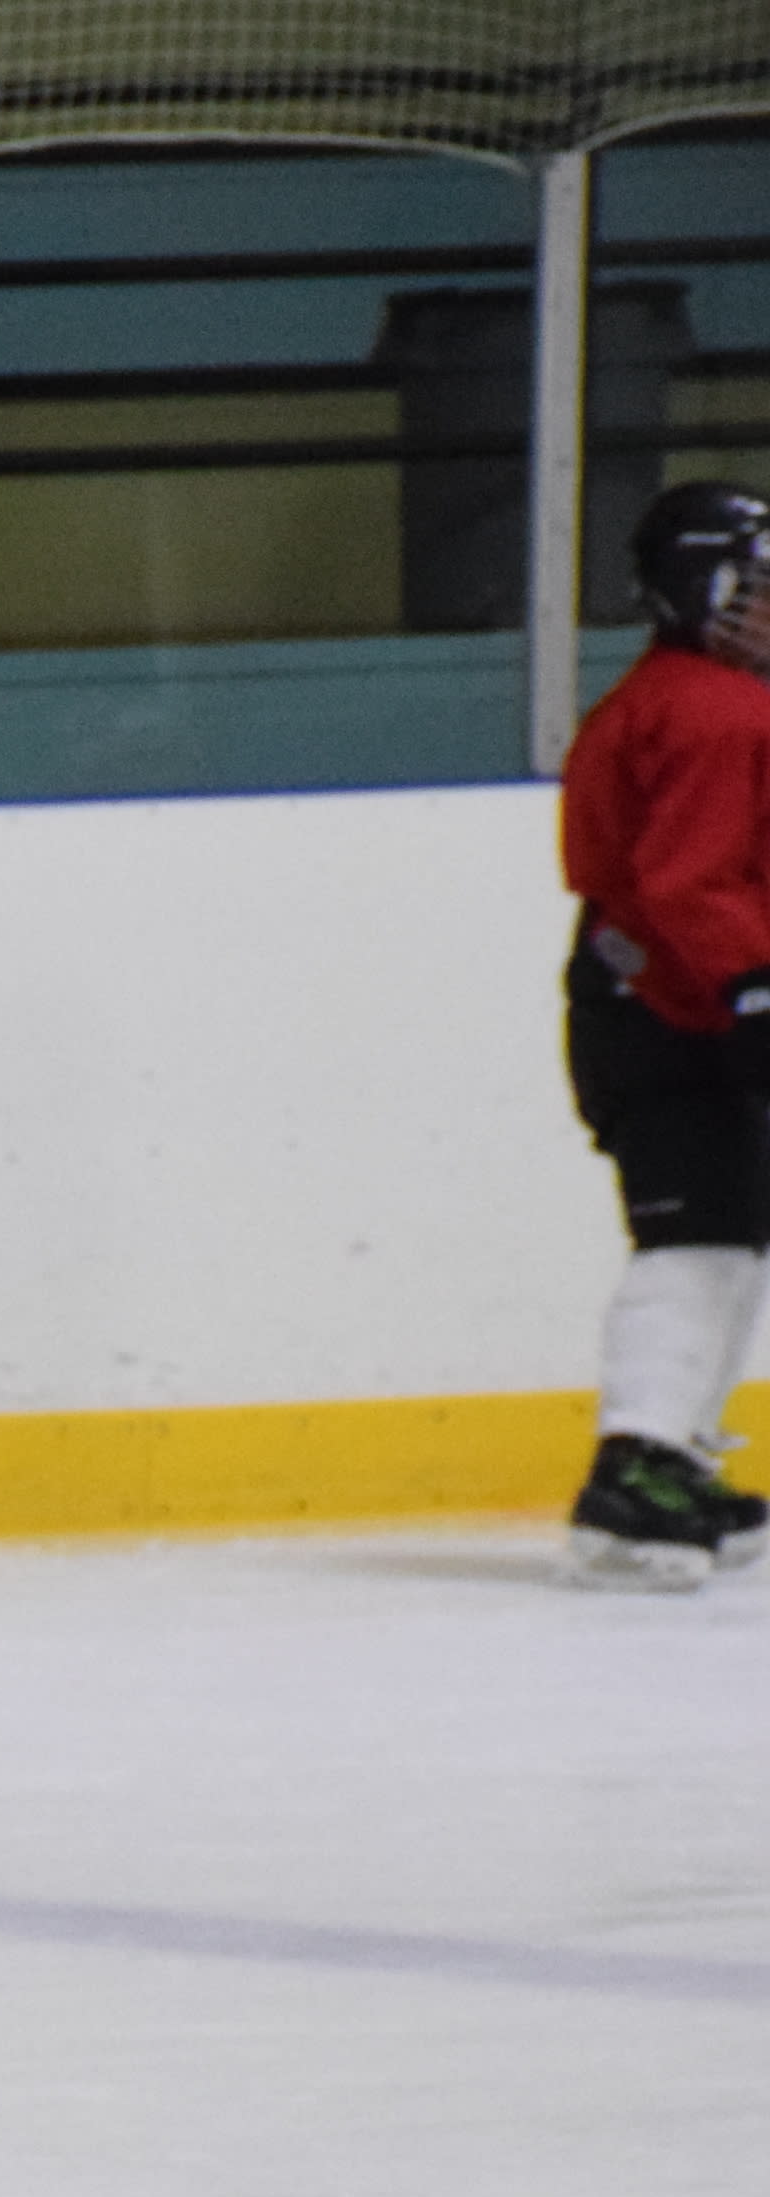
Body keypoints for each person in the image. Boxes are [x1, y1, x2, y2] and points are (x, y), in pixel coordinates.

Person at [555, 478, 770, 1587]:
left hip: (659, 1006)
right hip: (669, 1017)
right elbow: (687, 882)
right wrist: (751, 990)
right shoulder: (711, 710)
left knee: (732, 1234)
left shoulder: (675, 697)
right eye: (757, 588)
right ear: (703, 591)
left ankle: (673, 1450)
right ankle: (636, 1461)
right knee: (696, 1239)